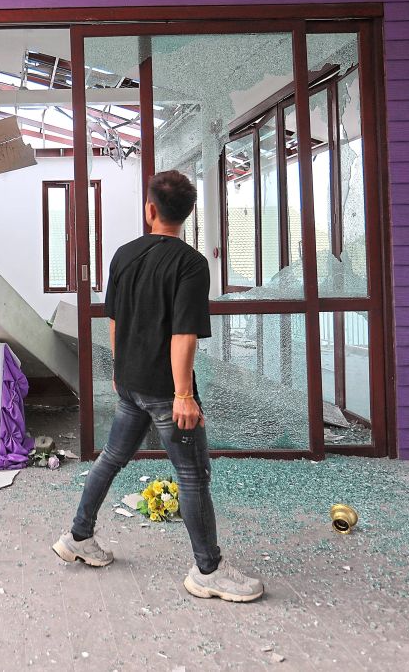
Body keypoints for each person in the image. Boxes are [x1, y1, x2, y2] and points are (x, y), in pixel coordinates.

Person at [51, 170, 263, 603]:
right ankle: (208, 570)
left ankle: (78, 537)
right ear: (186, 214)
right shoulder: (190, 263)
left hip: (131, 383)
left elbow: (114, 320)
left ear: (150, 210)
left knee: (111, 459)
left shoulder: (123, 255)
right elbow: (183, 333)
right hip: (167, 392)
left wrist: (118, 370)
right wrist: (184, 394)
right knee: (193, 476)